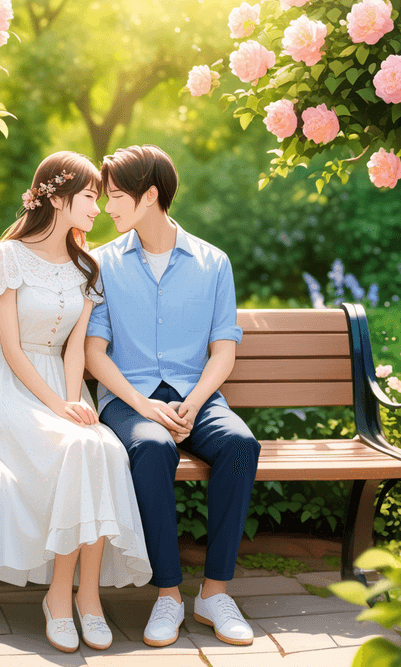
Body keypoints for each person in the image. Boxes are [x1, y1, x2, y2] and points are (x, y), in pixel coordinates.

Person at [0, 151, 151, 654]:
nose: (97, 209)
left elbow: (76, 346)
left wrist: (76, 399)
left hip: (62, 384)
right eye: (89, 198)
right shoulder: (8, 255)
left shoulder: (87, 264)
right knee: (79, 448)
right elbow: (10, 348)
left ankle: (89, 598)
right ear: (57, 198)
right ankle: (60, 598)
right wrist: (57, 405)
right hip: (9, 389)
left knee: (103, 448)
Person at [85, 144, 260, 648]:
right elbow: (96, 355)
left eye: (116, 196)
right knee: (153, 446)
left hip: (196, 397)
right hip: (129, 400)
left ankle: (214, 593)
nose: (108, 207)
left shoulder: (213, 263)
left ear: (150, 196)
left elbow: (223, 352)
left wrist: (192, 403)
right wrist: (146, 408)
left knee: (240, 446)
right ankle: (168, 596)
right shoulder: (101, 264)